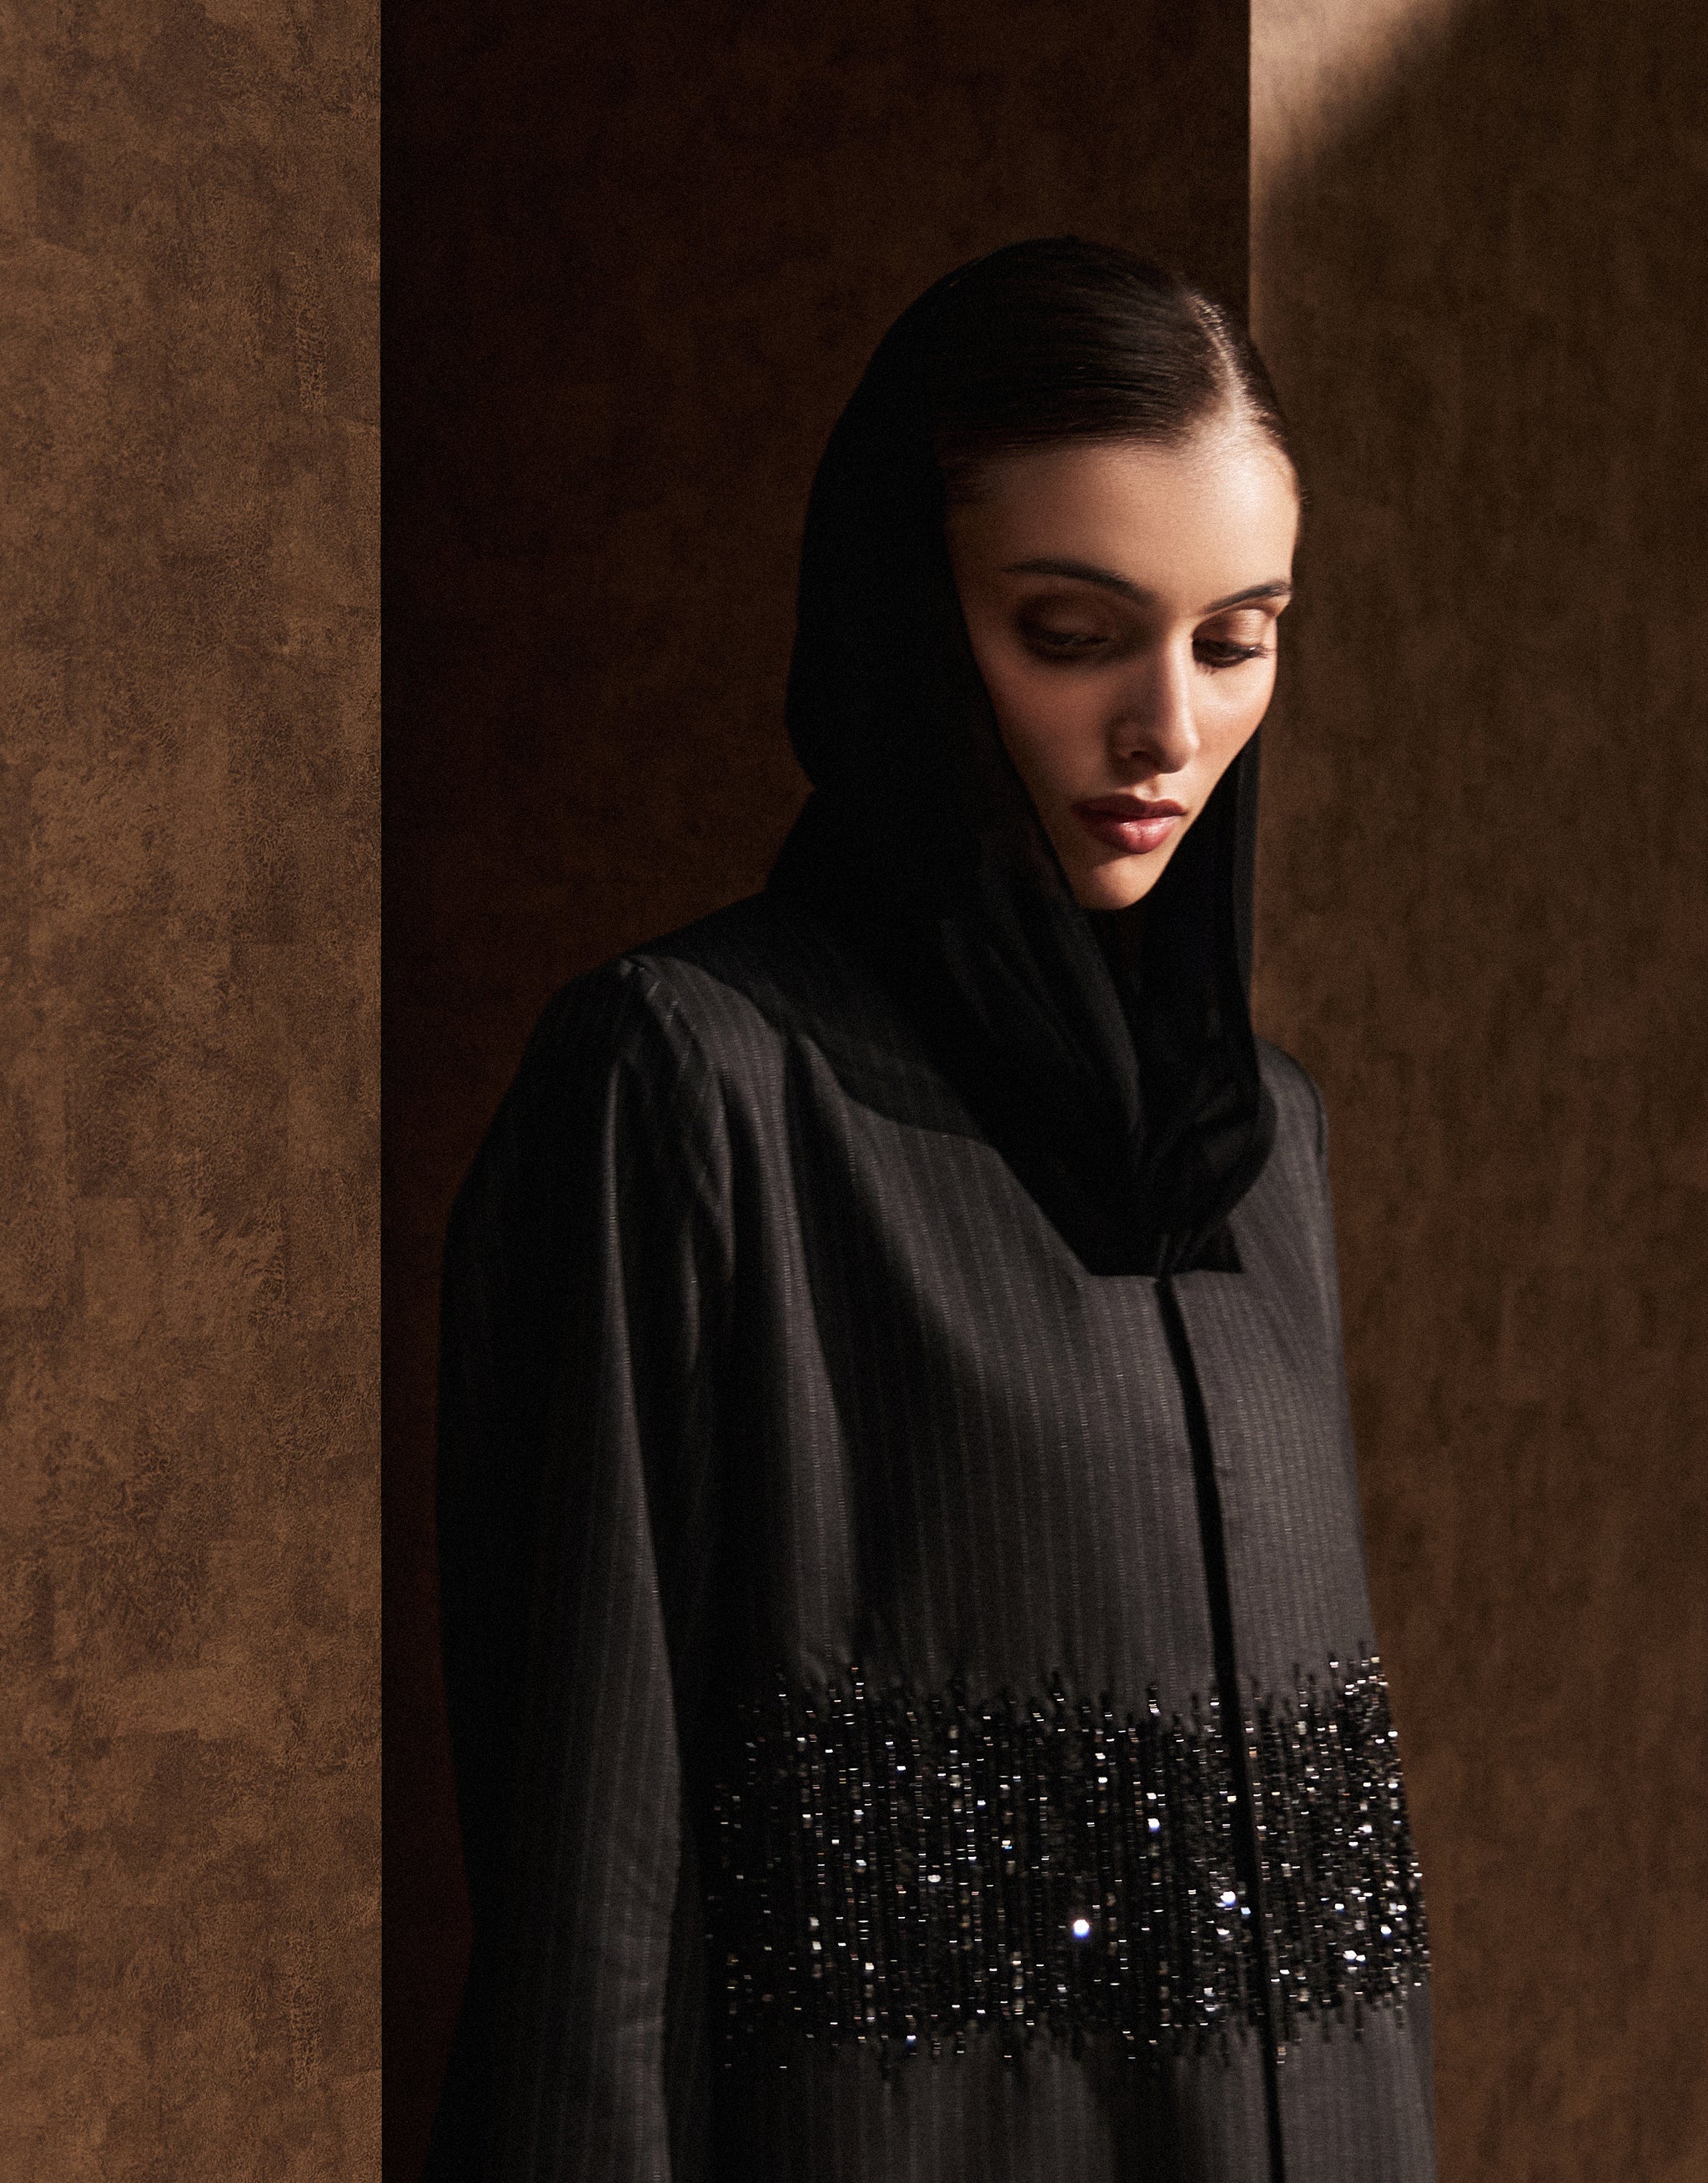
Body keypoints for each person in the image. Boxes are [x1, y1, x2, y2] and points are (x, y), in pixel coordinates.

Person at [424, 237, 1435, 2183]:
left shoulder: (1264, 1143)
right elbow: (589, 1923)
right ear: (904, 615)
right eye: (1071, 631)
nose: (1167, 728)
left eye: (1235, 640)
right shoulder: (690, 1090)